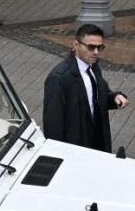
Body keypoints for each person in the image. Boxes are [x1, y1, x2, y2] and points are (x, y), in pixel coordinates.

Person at [43, 24, 128, 153]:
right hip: (75, 148)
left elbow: (101, 93)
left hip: (98, 142)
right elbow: (53, 126)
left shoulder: (93, 66)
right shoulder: (59, 78)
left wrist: (115, 97)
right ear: (76, 45)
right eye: (91, 47)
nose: (96, 52)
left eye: (100, 47)